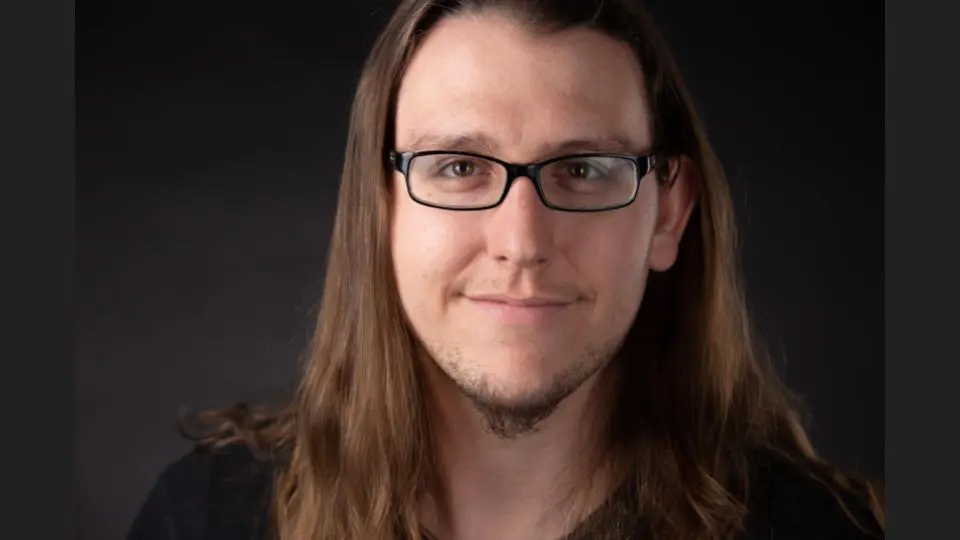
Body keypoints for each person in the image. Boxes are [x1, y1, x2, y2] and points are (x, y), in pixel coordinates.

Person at [127, 0, 884, 539]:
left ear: (668, 213)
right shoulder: (208, 519)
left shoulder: (818, 532)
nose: (521, 240)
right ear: (378, 210)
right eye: (458, 166)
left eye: (583, 168)